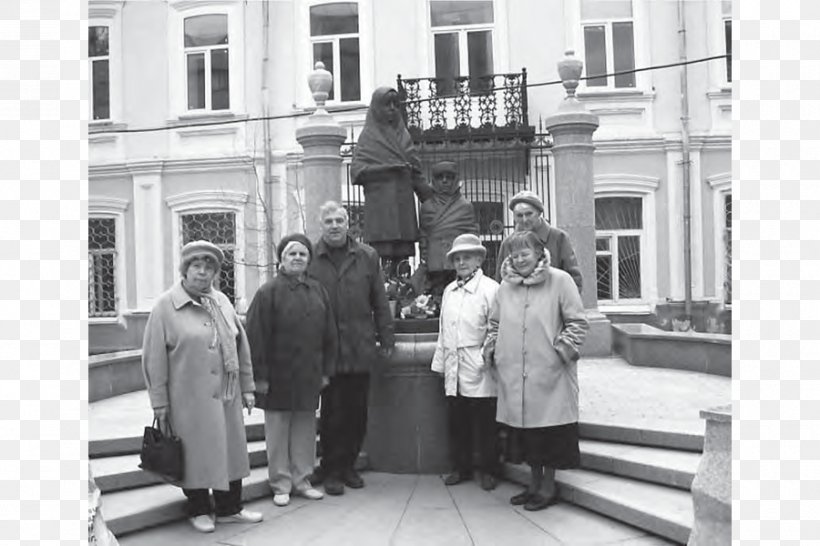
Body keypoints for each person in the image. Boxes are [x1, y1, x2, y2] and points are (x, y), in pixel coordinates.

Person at [141, 240, 262, 533]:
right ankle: (198, 509)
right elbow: (153, 358)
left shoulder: (221, 301)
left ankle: (230, 507)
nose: (202, 272)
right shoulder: (165, 307)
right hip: (187, 399)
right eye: (196, 265)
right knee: (194, 454)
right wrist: (159, 401)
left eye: (209, 267)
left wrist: (247, 386)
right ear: (185, 269)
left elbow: (240, 345)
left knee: (230, 450)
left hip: (226, 394)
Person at [483, 231, 588, 511]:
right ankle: (533, 484)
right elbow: (493, 325)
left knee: (549, 434)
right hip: (514, 375)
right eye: (514, 255)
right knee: (527, 436)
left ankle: (548, 487)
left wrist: (561, 352)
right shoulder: (505, 288)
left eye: (524, 254)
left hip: (550, 375)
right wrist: (494, 352)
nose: (519, 260)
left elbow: (577, 322)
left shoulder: (560, 280)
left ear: (539, 253)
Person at [307, 201, 395, 496]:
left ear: (348, 224)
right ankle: (330, 468)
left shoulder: (367, 256)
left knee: (357, 411)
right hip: (326, 349)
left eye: (339, 220)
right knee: (332, 412)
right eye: (328, 220)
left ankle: (348, 465)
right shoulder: (311, 257)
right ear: (322, 225)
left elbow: (379, 300)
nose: (334, 225)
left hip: (359, 346)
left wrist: (388, 338)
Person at [245, 233, 338, 508]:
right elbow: (255, 337)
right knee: (278, 432)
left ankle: (302, 480)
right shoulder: (267, 293)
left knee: (305, 430)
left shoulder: (318, 290)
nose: (297, 258)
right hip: (276, 377)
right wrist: (258, 378)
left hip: (309, 374)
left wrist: (325, 371)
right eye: (291, 253)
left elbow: (329, 334)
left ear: (309, 259)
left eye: (302, 254)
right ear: (281, 260)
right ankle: (281, 483)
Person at [431, 234, 500, 491]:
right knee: (457, 419)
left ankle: (489, 469)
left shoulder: (491, 289)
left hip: (479, 364)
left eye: (467, 257)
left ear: (479, 259)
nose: (461, 262)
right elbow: (443, 331)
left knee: (484, 421)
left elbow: (497, 328)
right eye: (457, 258)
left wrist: (488, 355)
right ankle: (461, 467)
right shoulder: (449, 290)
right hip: (453, 364)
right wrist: (440, 364)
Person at [351, 86, 434, 278]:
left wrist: (433, 199)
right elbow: (356, 173)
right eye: (386, 104)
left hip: (403, 209)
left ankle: (403, 295)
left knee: (403, 261)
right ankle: (386, 296)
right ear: (376, 108)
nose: (392, 109)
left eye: (395, 105)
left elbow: (415, 172)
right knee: (383, 261)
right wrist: (387, 170)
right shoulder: (368, 137)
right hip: (381, 210)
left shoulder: (403, 135)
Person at [494, 190, 583, 294]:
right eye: (519, 215)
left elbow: (574, 280)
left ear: (539, 213)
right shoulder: (507, 243)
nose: (524, 219)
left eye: (529, 214)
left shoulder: (559, 238)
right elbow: (500, 282)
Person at [418, 160, 479, 299]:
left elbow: (473, 237)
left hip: (458, 262)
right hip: (435, 264)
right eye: (440, 177)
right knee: (436, 300)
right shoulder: (427, 206)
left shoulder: (465, 206)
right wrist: (425, 259)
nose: (445, 181)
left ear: (455, 179)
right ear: (434, 180)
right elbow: (423, 236)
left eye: (449, 177)